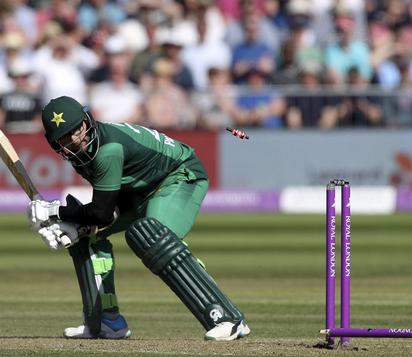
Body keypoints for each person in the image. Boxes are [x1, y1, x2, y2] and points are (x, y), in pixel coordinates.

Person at [26, 95, 250, 341]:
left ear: (86, 120)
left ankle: (227, 317)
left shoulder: (106, 149)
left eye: (77, 129)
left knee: (151, 237)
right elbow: (109, 208)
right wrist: (77, 227)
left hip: (179, 175)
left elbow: (100, 212)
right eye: (65, 137)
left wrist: (55, 211)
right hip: (140, 191)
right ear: (54, 142)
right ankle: (105, 321)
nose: (76, 139)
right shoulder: (83, 154)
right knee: (87, 236)